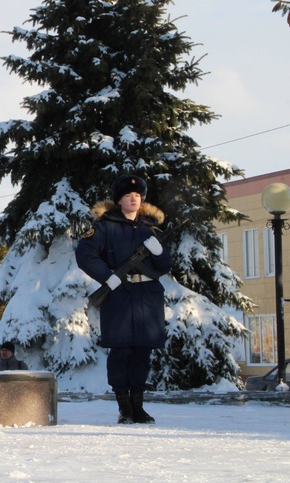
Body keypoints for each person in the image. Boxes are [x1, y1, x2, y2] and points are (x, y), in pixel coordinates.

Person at [75, 175, 172, 425]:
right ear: (119, 200)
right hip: (118, 294)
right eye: (129, 195)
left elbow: (164, 266)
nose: (134, 199)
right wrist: (107, 277)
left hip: (147, 297)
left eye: (138, 195)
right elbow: (85, 254)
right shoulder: (105, 226)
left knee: (142, 351)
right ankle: (125, 409)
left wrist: (159, 252)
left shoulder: (150, 230)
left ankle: (138, 408)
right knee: (121, 350)